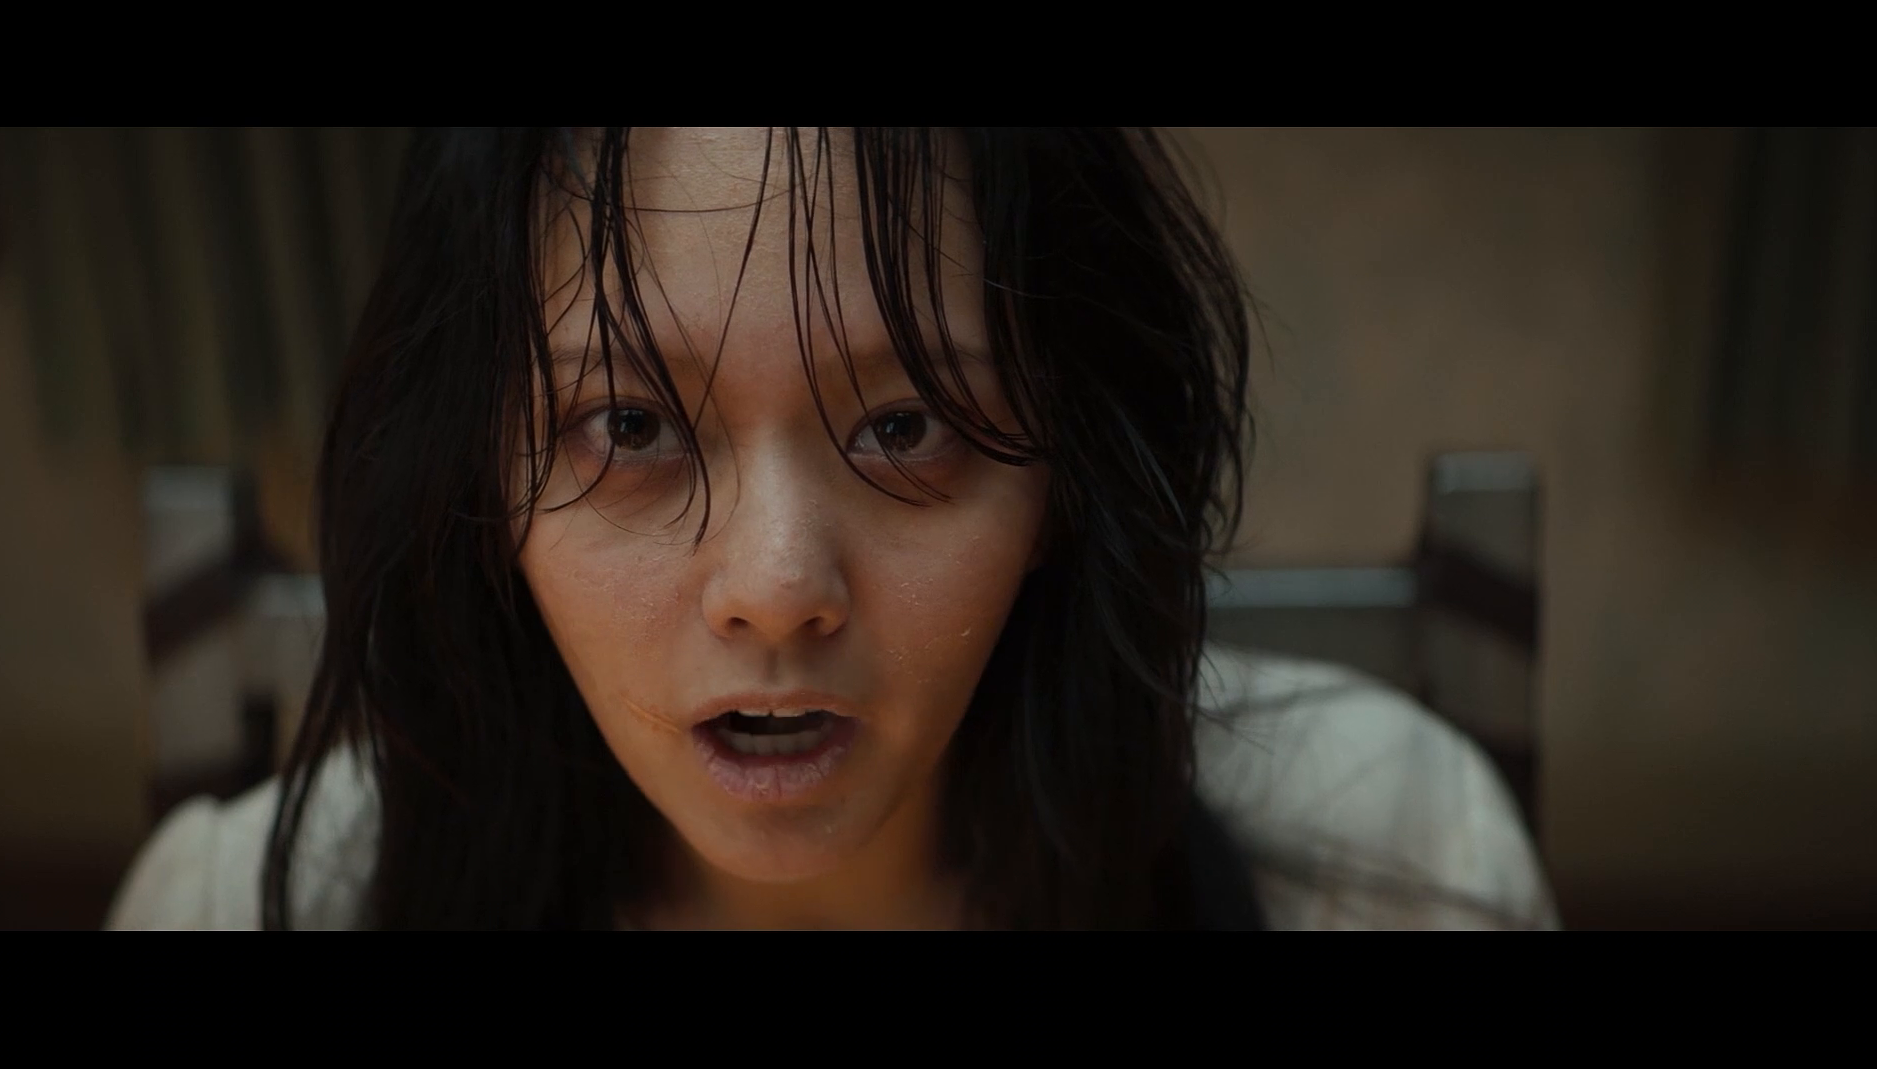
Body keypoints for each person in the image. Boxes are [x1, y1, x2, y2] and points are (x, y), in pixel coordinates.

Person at [107, 128, 1558, 930]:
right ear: (479, 481)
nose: (777, 587)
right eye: (629, 427)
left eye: (907, 425)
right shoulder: (244, 909)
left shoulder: (1389, 871)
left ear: (1067, 486)